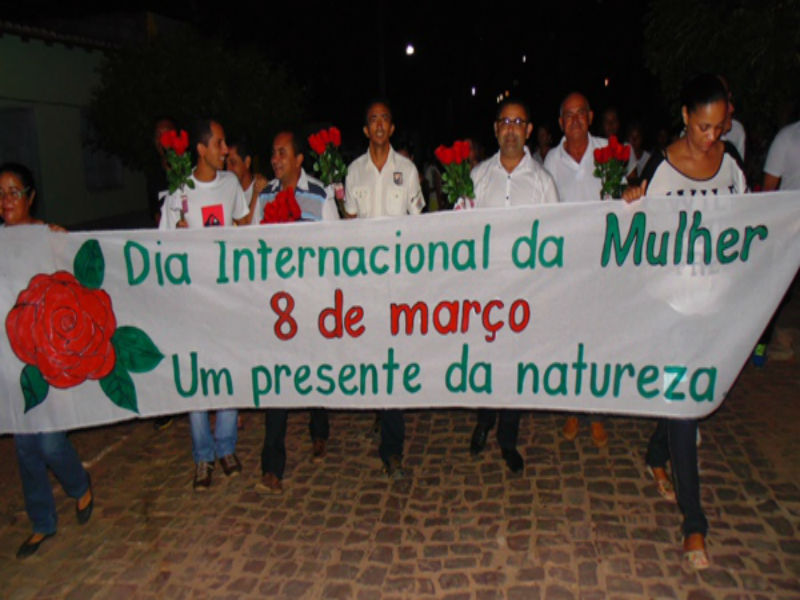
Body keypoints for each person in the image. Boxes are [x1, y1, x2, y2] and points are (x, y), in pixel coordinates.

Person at [623, 73, 748, 570]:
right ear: (684, 118)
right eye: (701, 127)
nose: (710, 138)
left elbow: (748, 224)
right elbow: (632, 238)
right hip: (669, 305)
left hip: (713, 302)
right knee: (686, 401)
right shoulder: (662, 168)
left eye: (719, 127)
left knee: (683, 398)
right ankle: (694, 523)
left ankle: (657, 453)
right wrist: (632, 203)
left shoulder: (733, 166)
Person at [1, 162, 94, 559]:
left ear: (30, 196)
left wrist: (64, 241)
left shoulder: (46, 237)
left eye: (14, 192)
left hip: (46, 356)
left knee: (51, 440)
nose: (6, 200)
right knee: (25, 447)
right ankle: (42, 522)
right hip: (9, 358)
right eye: (1, 193)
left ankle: (80, 485)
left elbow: (77, 274)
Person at [468, 98, 559, 473]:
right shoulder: (476, 177)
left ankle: (508, 438)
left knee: (516, 364)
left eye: (518, 122)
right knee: (486, 360)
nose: (510, 128)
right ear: (495, 128)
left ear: (528, 130)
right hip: (485, 290)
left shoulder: (542, 182)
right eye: (505, 121)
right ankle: (483, 420)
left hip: (524, 291)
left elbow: (555, 237)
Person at [160, 118, 250, 489]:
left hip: (226, 298)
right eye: (219, 143)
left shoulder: (230, 185)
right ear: (200, 149)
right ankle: (203, 456)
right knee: (196, 377)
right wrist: (177, 238)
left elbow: (245, 224)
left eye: (225, 143)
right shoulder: (178, 192)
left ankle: (226, 446)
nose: (225, 150)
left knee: (227, 372)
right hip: (192, 302)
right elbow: (161, 246)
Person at [252, 130, 339, 495]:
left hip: (311, 302)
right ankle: (272, 463)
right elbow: (252, 246)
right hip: (277, 306)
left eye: (283, 153)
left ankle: (319, 429)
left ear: (299, 159)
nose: (276, 159)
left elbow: (337, 249)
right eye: (273, 153)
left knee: (314, 367)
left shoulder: (319, 196)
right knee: (278, 380)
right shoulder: (265, 196)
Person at [344, 99, 424, 478]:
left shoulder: (407, 171)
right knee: (370, 354)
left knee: (392, 358)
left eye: (384, 119)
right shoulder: (353, 172)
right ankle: (379, 408)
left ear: (392, 129)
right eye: (371, 118)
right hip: (364, 285)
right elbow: (347, 227)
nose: (378, 124)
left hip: (397, 285)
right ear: (366, 130)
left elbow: (418, 224)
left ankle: (392, 447)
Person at [544, 92, 617, 446]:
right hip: (567, 266)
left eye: (580, 113)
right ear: (560, 123)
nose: (574, 120)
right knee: (571, 338)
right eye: (567, 114)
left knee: (599, 339)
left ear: (591, 117)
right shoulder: (550, 161)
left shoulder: (611, 152)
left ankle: (598, 413)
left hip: (603, 263)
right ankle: (573, 408)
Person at [751, 117, 800, 364]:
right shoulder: (788, 138)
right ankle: (760, 344)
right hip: (790, 230)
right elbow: (770, 188)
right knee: (779, 291)